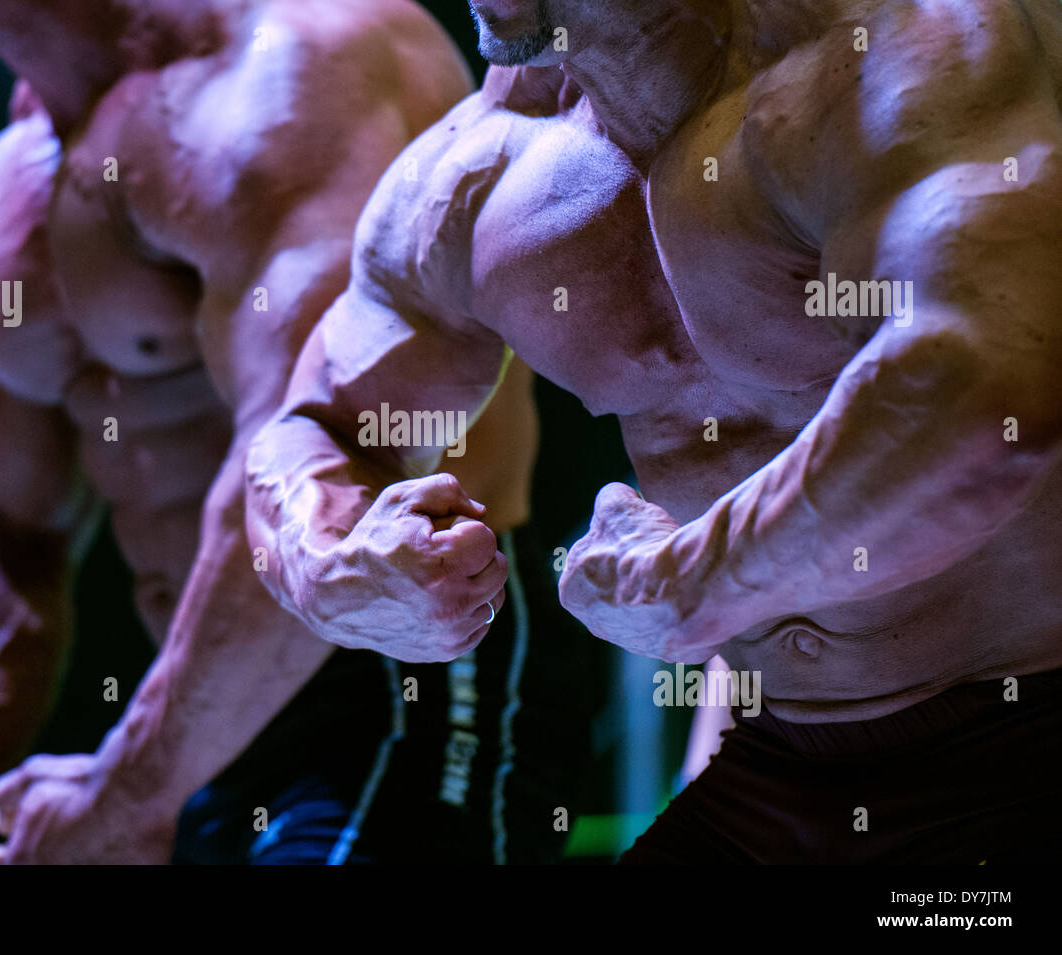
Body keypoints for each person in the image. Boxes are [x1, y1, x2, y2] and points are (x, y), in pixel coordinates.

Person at [246, 0, 1062, 862]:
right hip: (777, 768)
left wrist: (694, 580)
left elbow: (989, 390)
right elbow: (318, 428)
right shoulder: (491, 161)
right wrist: (331, 563)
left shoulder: (895, 44)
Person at [0, 0, 593, 864]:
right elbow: (3, 529)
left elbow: (309, 466)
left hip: (396, 665)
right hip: (184, 722)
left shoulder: (302, 72)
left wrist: (125, 795)